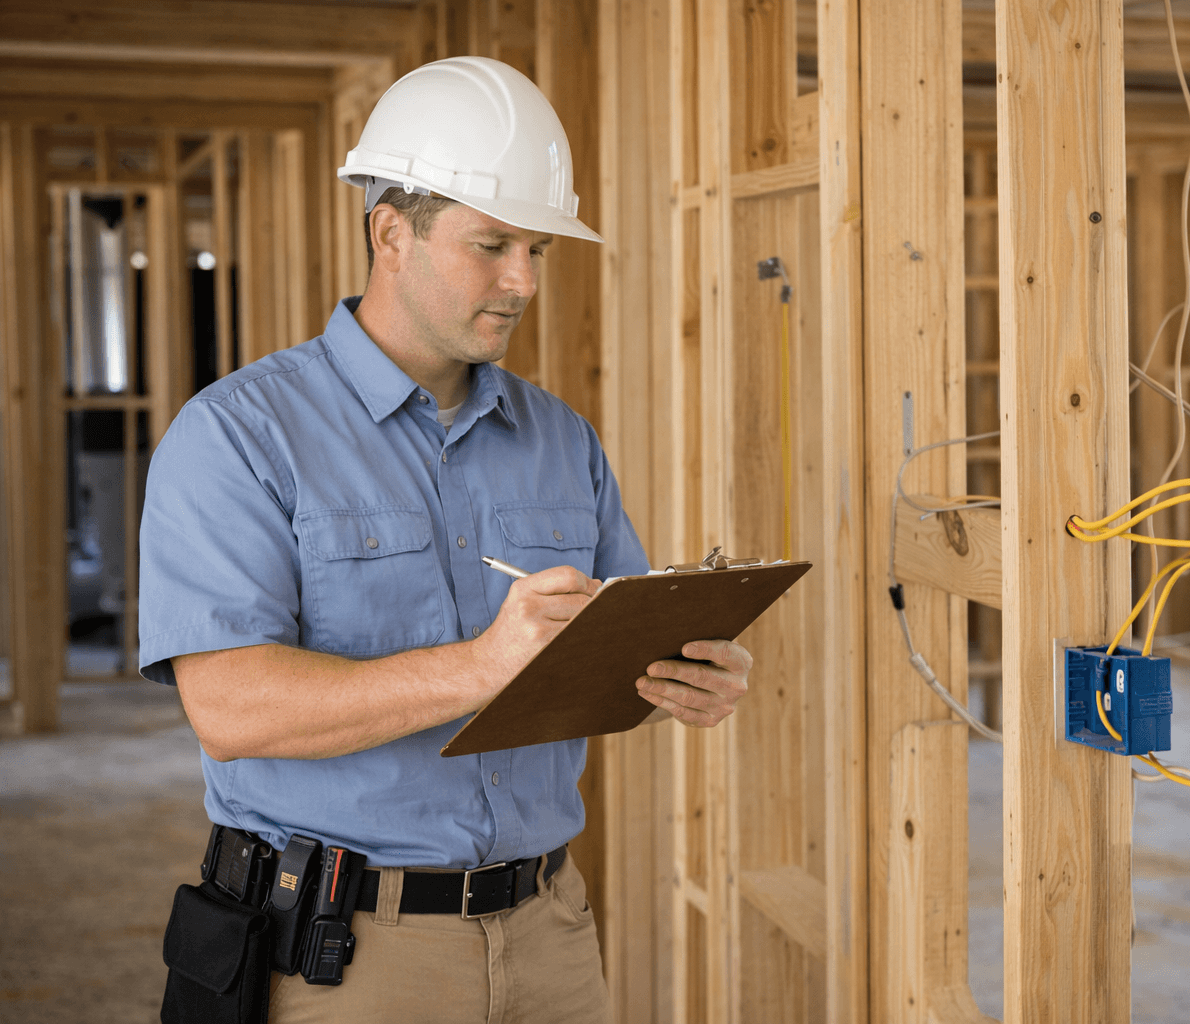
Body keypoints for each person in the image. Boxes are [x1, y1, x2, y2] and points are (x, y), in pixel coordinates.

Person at [140, 56, 752, 1024]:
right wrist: (478, 667)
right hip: (343, 953)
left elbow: (607, 638)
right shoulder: (239, 434)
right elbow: (231, 708)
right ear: (391, 231)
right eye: (492, 244)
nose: (522, 281)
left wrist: (681, 671)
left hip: (550, 929)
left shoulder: (560, 436)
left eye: (538, 250)